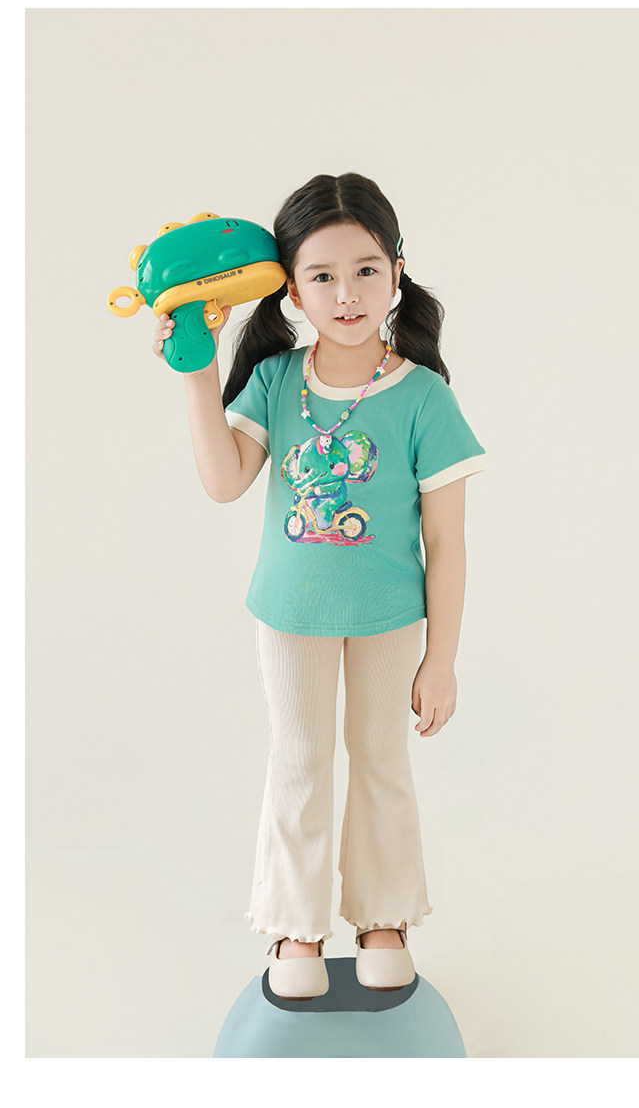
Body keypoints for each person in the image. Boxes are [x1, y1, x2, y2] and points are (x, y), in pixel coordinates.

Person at [153, 173, 487, 1001]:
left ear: (398, 271)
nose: (347, 294)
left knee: (380, 759)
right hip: (290, 616)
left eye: (366, 270)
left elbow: (447, 542)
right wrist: (197, 371)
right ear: (292, 290)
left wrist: (441, 660)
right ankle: (294, 927)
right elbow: (224, 482)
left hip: (389, 619)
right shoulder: (275, 381)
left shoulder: (424, 396)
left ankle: (384, 918)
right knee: (299, 762)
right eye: (323, 276)